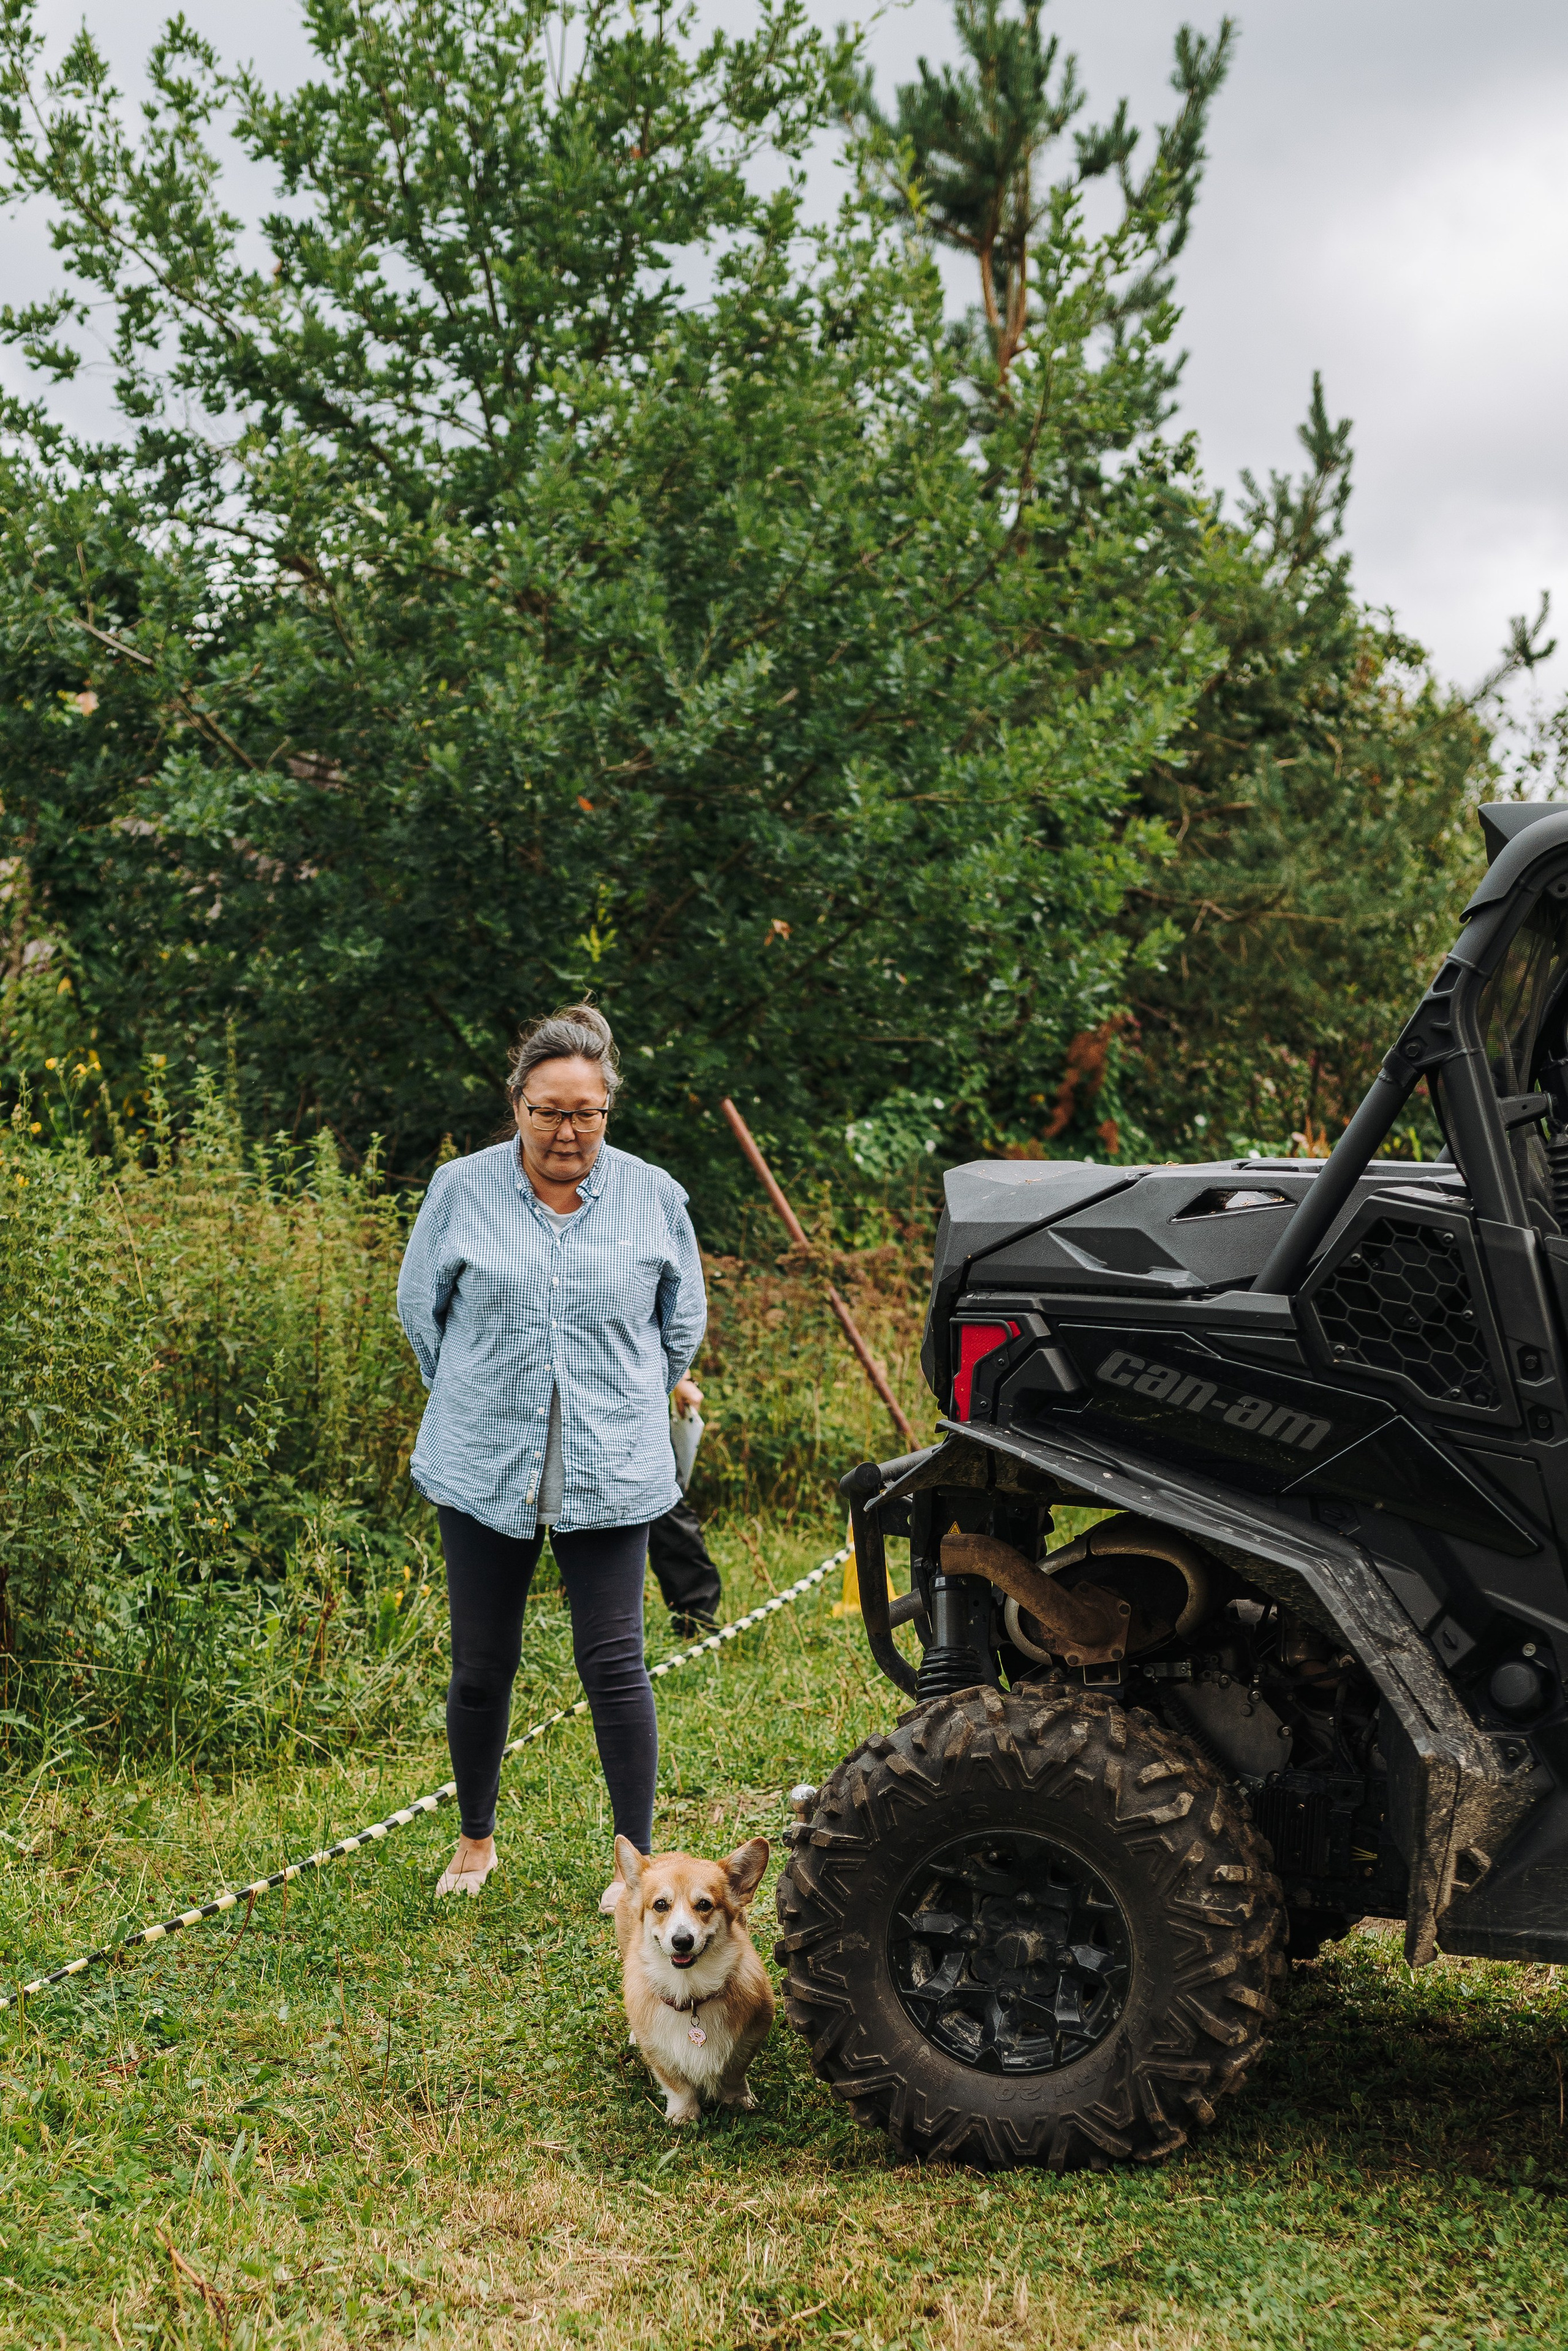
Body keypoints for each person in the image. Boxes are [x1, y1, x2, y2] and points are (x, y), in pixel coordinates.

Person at [396, 1003, 706, 1907]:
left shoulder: (654, 1195)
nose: (567, 1132)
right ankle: (476, 1839)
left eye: (586, 1114)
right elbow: (421, 1310)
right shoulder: (460, 1189)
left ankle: (635, 1867)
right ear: (518, 1105)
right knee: (481, 1663)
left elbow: (680, 1324)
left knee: (616, 1663)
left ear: (608, 1110)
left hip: (610, 1463)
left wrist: (635, 1392)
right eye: (549, 1112)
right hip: (483, 1457)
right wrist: (478, 1393)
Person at [647, 1379, 724, 1638]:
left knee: (664, 1500)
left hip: (637, 1401)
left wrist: (682, 1380)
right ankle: (576, 1607)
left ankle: (696, 1619)